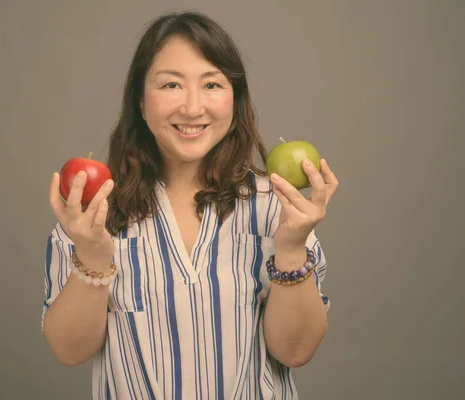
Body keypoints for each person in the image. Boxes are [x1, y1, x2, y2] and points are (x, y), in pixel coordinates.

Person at [42, 10, 339, 399]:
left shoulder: (276, 205)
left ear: (235, 99)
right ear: (140, 99)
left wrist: (292, 247)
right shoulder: (94, 212)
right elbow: (69, 350)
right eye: (171, 85)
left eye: (212, 84)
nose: (193, 107)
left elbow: (295, 352)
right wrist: (94, 258)